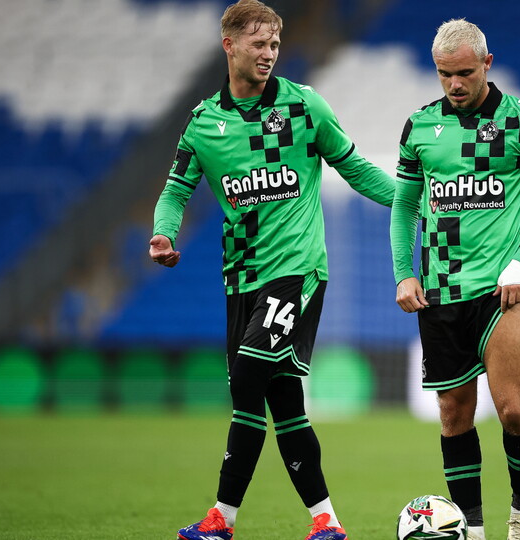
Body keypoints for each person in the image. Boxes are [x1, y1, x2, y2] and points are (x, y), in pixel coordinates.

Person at [149, 1, 395, 539]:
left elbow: (352, 165)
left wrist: (410, 200)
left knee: (248, 377)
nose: (269, 54)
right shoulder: (202, 125)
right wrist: (164, 231)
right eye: (259, 45)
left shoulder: (304, 107)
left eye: (276, 45)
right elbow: (175, 190)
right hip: (241, 277)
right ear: (229, 45)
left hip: (297, 270)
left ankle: (222, 518)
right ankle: (326, 521)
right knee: (282, 403)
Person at [390, 18, 520, 540]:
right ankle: (473, 532)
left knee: (513, 411)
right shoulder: (419, 127)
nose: (455, 85)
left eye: (465, 72)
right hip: (440, 293)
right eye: (444, 74)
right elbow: (403, 209)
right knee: (453, 416)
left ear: (487, 64)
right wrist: (405, 274)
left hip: (500, 291)